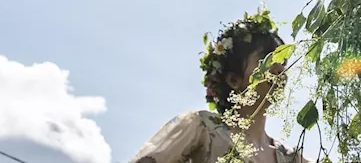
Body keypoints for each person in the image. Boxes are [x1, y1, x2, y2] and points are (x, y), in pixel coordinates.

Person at [131, 8, 305, 163]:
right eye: (267, 59)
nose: (280, 69)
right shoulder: (203, 129)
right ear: (233, 80)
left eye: (283, 61)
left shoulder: (293, 158)